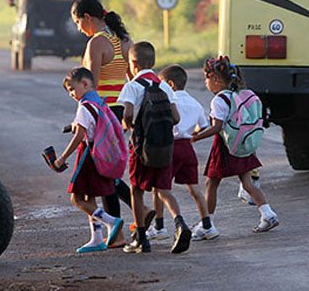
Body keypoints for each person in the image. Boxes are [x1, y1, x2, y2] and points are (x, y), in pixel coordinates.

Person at [71, 0, 154, 247]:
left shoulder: (96, 43)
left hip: (101, 113)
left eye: (77, 22)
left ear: (87, 17)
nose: (78, 28)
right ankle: (123, 225)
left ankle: (116, 232)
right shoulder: (124, 40)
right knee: (107, 168)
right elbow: (133, 78)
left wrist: (82, 118)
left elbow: (90, 86)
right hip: (120, 112)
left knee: (103, 170)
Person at [191, 56, 279, 234]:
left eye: (206, 78)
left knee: (211, 183)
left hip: (225, 147)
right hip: (242, 142)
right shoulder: (238, 95)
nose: (206, 83)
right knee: (247, 183)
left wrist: (196, 137)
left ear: (215, 79)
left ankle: (207, 224)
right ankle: (267, 213)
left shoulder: (218, 100)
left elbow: (217, 127)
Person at [117, 41, 191, 254]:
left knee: (137, 190)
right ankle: (180, 224)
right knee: (164, 190)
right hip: (164, 146)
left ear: (133, 63)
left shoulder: (131, 86)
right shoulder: (165, 86)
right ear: (154, 62)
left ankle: (141, 238)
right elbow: (176, 118)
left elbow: (128, 115)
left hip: (142, 147)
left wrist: (127, 125)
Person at [144, 64, 219, 241]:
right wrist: (190, 133)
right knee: (194, 189)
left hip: (169, 147)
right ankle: (208, 225)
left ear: (170, 84)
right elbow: (203, 127)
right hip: (187, 148)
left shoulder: (169, 101)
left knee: (159, 187)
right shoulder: (194, 103)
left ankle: (160, 227)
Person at [53, 67, 124, 253]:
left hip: (87, 154)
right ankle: (96, 238)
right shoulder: (100, 102)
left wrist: (62, 158)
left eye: (72, 89)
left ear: (84, 84)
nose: (71, 94)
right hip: (98, 154)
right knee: (89, 196)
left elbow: (79, 136)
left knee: (76, 199)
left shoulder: (84, 106)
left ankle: (111, 221)